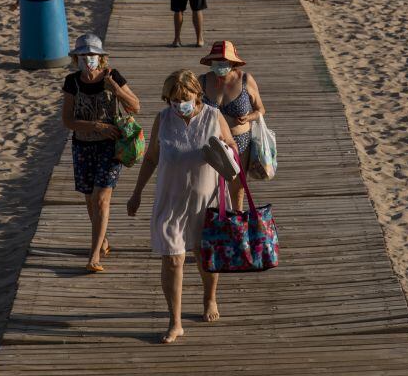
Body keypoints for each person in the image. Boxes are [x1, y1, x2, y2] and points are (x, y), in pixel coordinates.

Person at [126, 69, 238, 344]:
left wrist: (226, 150)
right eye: (173, 100)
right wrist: (137, 193)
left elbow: (233, 149)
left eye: (184, 99)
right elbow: (151, 158)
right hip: (170, 200)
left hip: (206, 202)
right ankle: (174, 321)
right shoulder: (163, 119)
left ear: (197, 94)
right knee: (172, 260)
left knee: (203, 255)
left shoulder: (213, 116)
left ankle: (209, 297)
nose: (179, 105)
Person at [61, 34, 141, 274]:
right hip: (83, 146)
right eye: (83, 55)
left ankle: (94, 255)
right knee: (89, 199)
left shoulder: (112, 76)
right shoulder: (72, 82)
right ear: (76, 58)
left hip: (111, 148)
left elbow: (135, 106)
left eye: (92, 55)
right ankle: (102, 241)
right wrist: (96, 126)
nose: (88, 59)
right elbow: (68, 120)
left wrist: (116, 90)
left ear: (101, 57)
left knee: (101, 200)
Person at [198, 41, 266, 211]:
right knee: (208, 186)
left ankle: (237, 220)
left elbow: (260, 109)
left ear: (232, 62)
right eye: (217, 61)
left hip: (240, 141)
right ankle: (213, 221)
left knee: (237, 188)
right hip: (211, 141)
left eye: (224, 61)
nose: (220, 64)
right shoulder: (202, 81)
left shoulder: (245, 80)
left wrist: (249, 117)